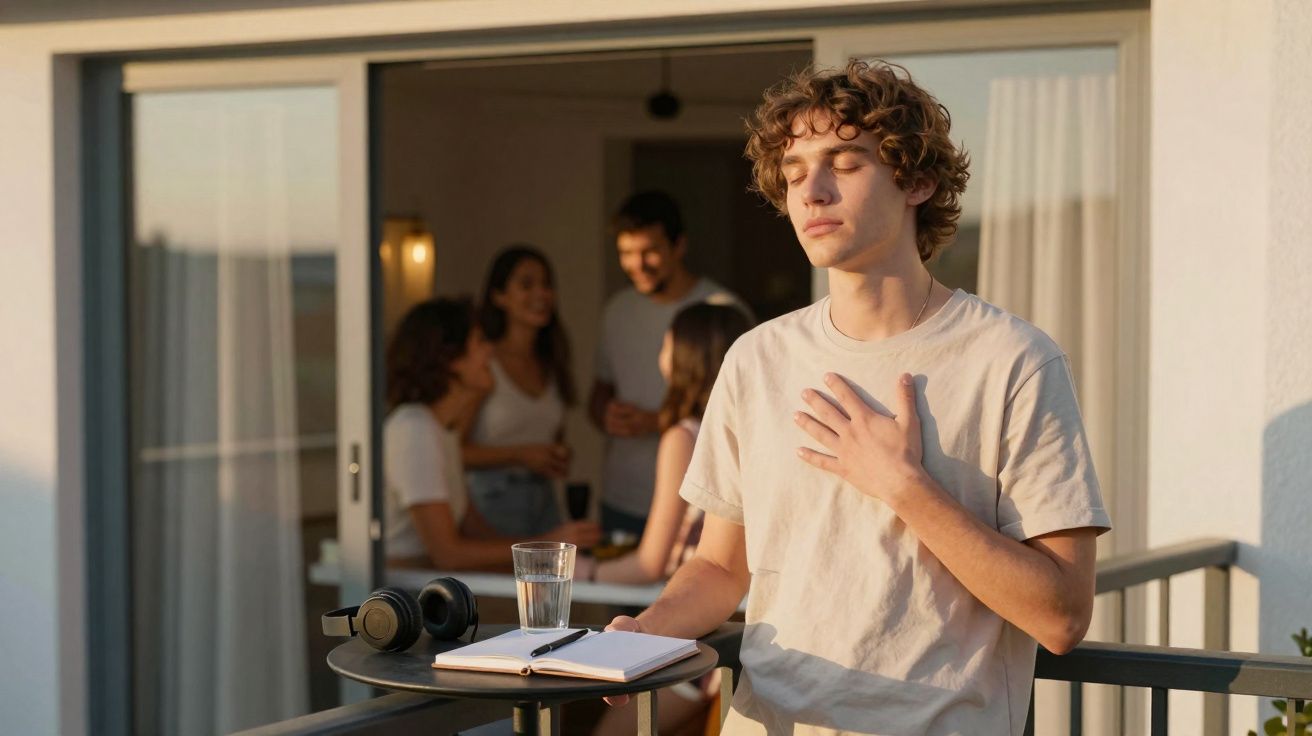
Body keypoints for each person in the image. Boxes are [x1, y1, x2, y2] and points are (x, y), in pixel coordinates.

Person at [604, 60, 1111, 735]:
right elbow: (721, 567)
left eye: (843, 164)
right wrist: (644, 633)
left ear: (918, 181)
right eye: (792, 174)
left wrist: (904, 487)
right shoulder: (756, 359)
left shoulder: (1014, 361)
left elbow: (1062, 615)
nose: (809, 193)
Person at [585, 303, 750, 736]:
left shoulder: (683, 436)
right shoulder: (745, 427)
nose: (661, 350)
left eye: (667, 339)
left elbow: (651, 563)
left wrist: (582, 570)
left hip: (694, 629)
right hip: (728, 628)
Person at [383, 298, 599, 571]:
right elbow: (448, 554)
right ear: (450, 359)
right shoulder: (414, 430)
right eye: (480, 342)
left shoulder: (442, 431)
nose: (491, 352)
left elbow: (475, 530)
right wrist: (547, 545)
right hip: (400, 603)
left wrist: (549, 549)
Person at [589, 190, 750, 539]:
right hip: (622, 498)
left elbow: (744, 412)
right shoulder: (617, 311)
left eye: (649, 251)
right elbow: (599, 392)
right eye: (626, 253)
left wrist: (656, 422)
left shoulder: (721, 311)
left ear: (679, 246)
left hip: (698, 503)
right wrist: (606, 414)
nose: (637, 264)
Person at [462, 246, 575, 537]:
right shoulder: (485, 364)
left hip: (544, 498)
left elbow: (550, 435)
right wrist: (520, 455)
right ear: (499, 296)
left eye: (547, 284)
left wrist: (554, 456)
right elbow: (454, 451)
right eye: (526, 284)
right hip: (492, 499)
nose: (541, 294)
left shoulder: (551, 361)